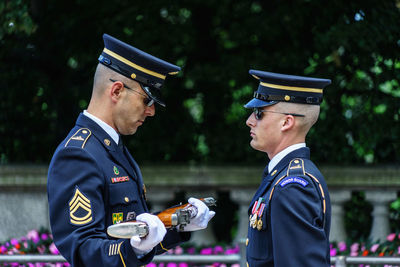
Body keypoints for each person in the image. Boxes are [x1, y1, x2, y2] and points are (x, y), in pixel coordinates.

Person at [47, 33, 215, 267]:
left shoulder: (112, 148)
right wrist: (133, 247)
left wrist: (178, 223)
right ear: (116, 91)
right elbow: (82, 248)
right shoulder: (79, 154)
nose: (152, 111)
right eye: (147, 100)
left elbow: (134, 229)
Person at [243, 69, 332, 266]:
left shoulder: (292, 186)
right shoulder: (282, 176)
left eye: (259, 113)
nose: (249, 121)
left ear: (286, 122)